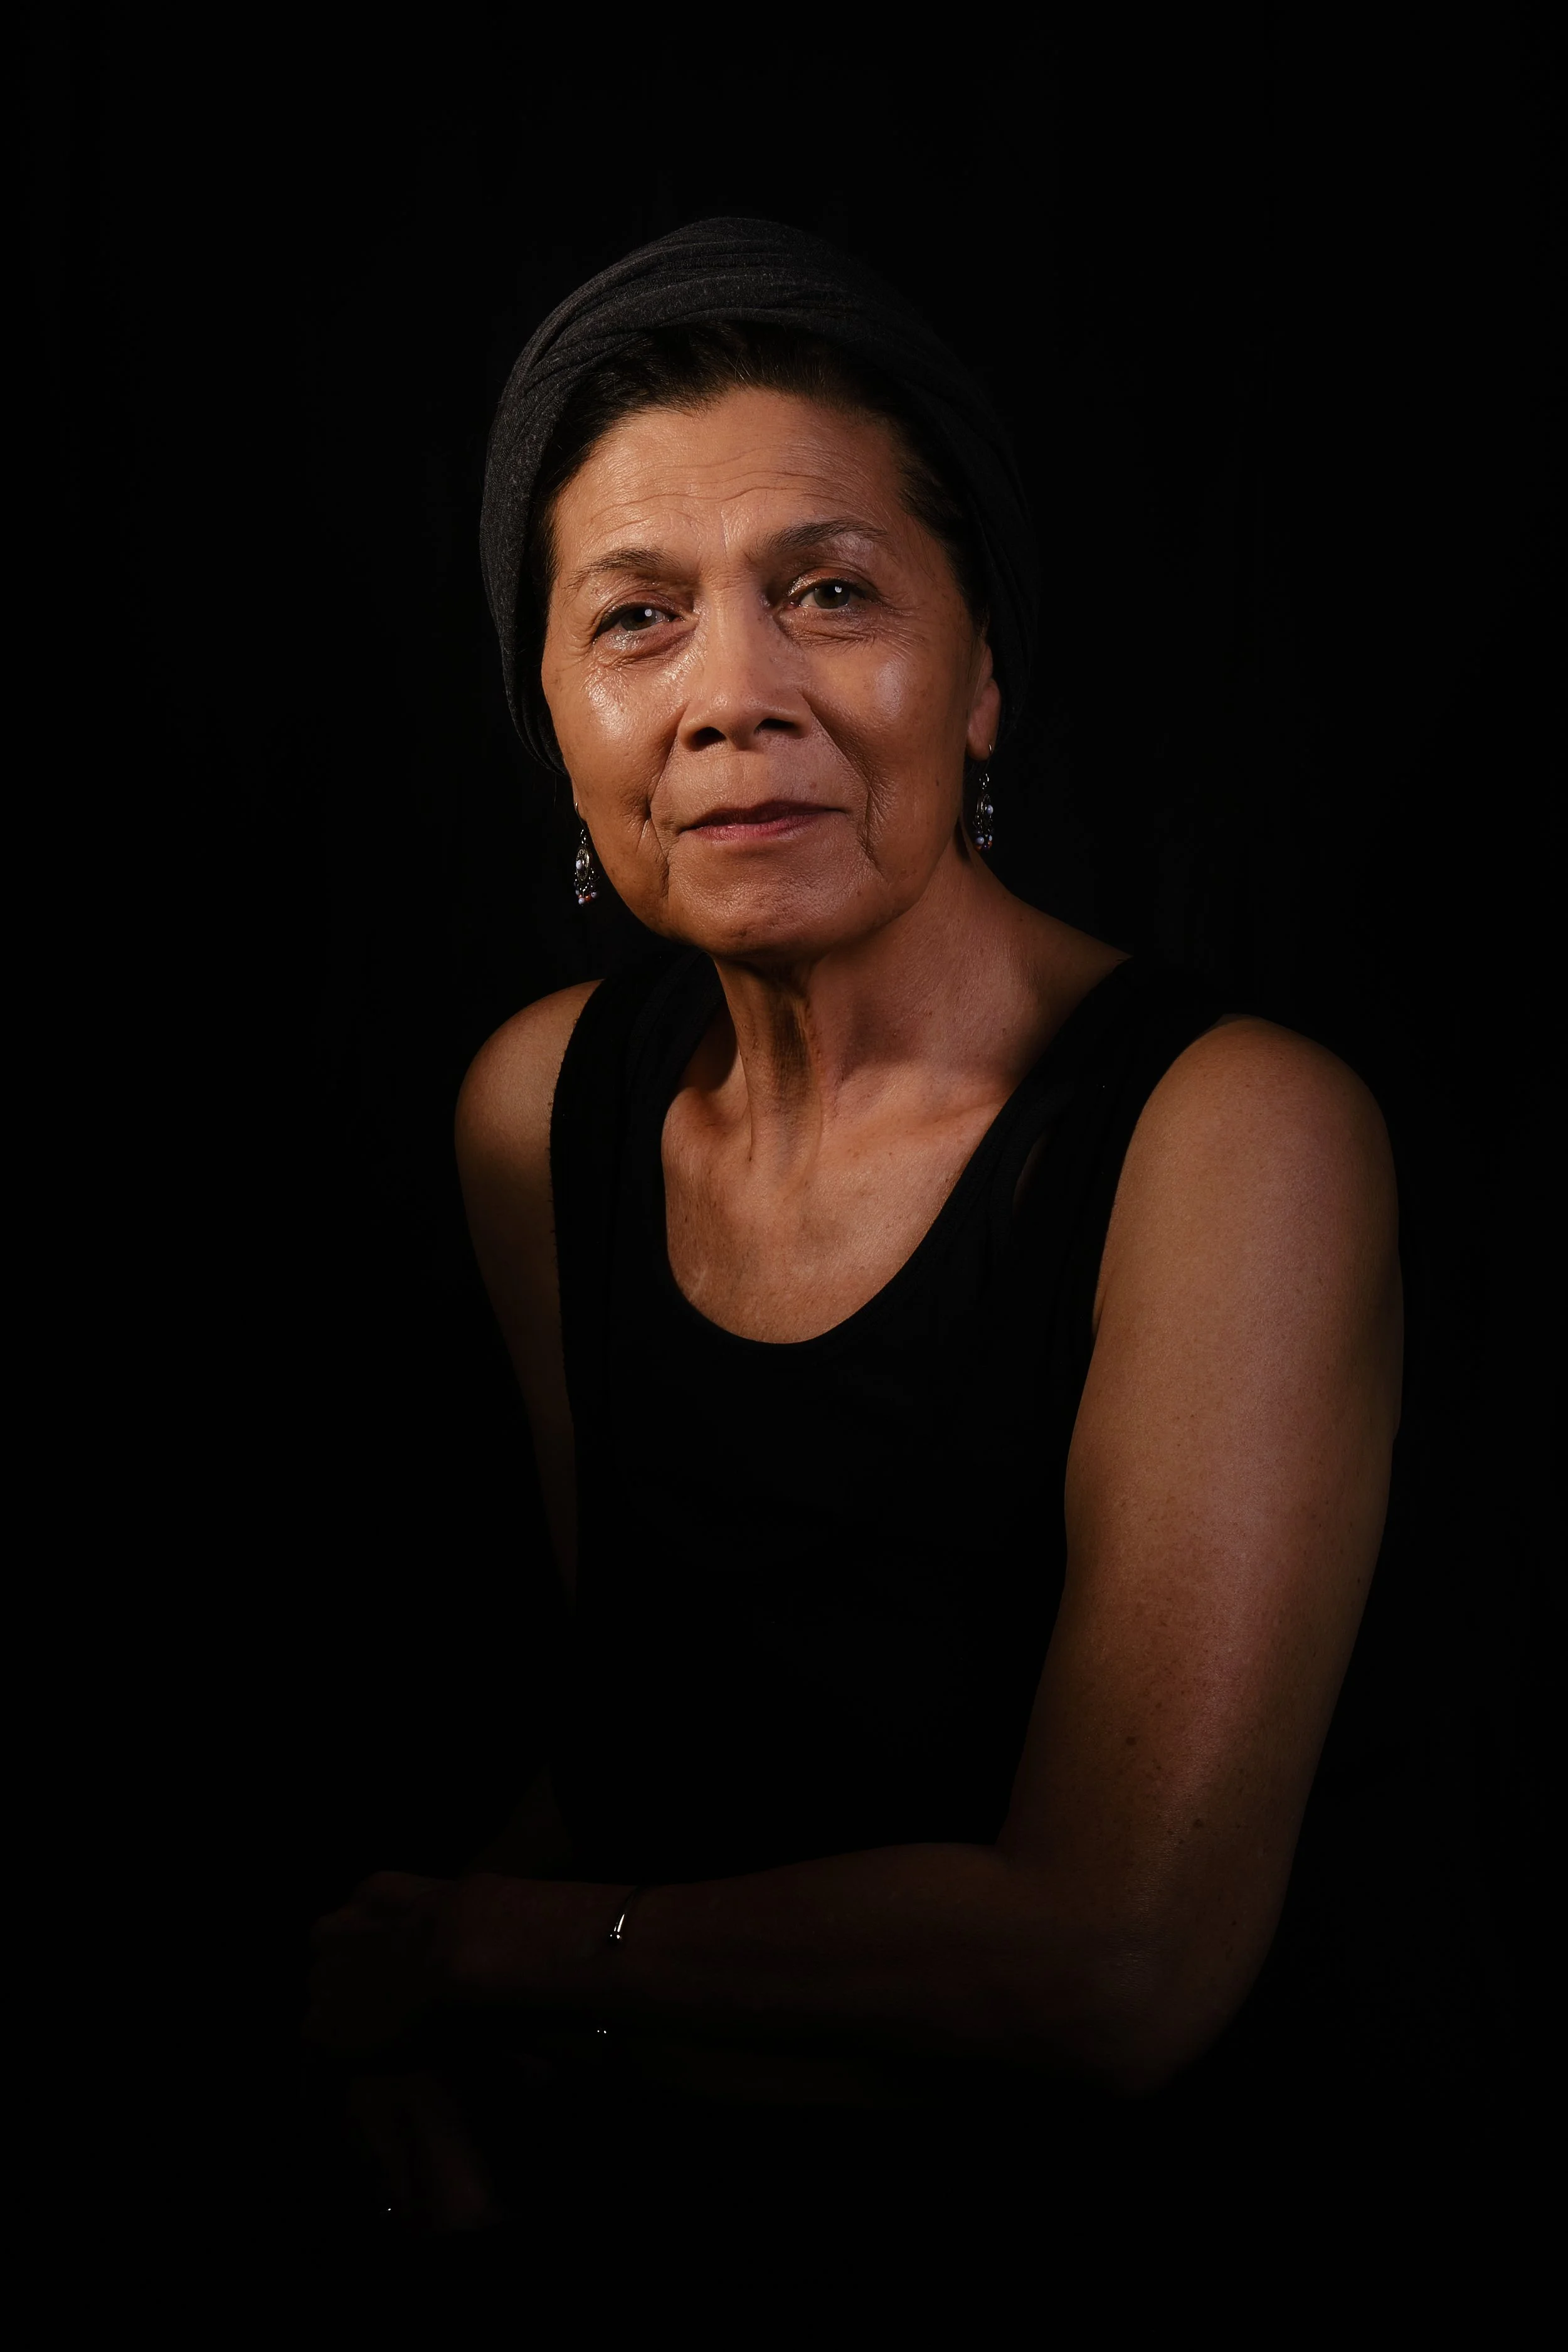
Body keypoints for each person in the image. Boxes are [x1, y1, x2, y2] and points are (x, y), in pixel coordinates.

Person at [305, 220, 1402, 2237]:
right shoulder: (533, 1111)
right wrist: (403, 2010)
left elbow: (1117, 1970)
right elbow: (654, 1736)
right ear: (548, 708)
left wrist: (484, 1949)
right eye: (635, 620)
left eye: (828, 591)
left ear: (981, 677)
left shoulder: (1227, 1134)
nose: (734, 696)